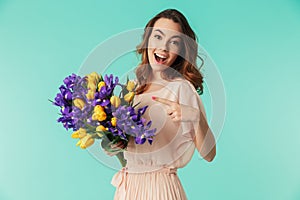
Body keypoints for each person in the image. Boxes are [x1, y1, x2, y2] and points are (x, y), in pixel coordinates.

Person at [106, 9, 216, 200]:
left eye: (173, 42)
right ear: (148, 40)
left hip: (160, 189)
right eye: (158, 37)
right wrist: (112, 145)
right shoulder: (135, 89)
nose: (163, 48)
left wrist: (195, 116)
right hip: (128, 188)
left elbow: (209, 154)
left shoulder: (181, 88)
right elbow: (131, 153)